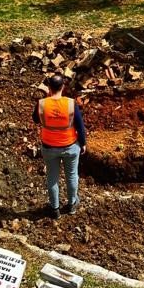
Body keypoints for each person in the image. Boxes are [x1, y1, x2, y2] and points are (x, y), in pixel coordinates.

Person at [33, 74, 86, 219]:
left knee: (52, 178)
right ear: (63, 87)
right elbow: (80, 127)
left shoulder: (42, 104)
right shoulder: (70, 104)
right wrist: (83, 143)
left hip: (49, 147)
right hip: (70, 146)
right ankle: (71, 205)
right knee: (71, 176)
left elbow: (35, 119)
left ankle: (55, 209)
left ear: (49, 88)